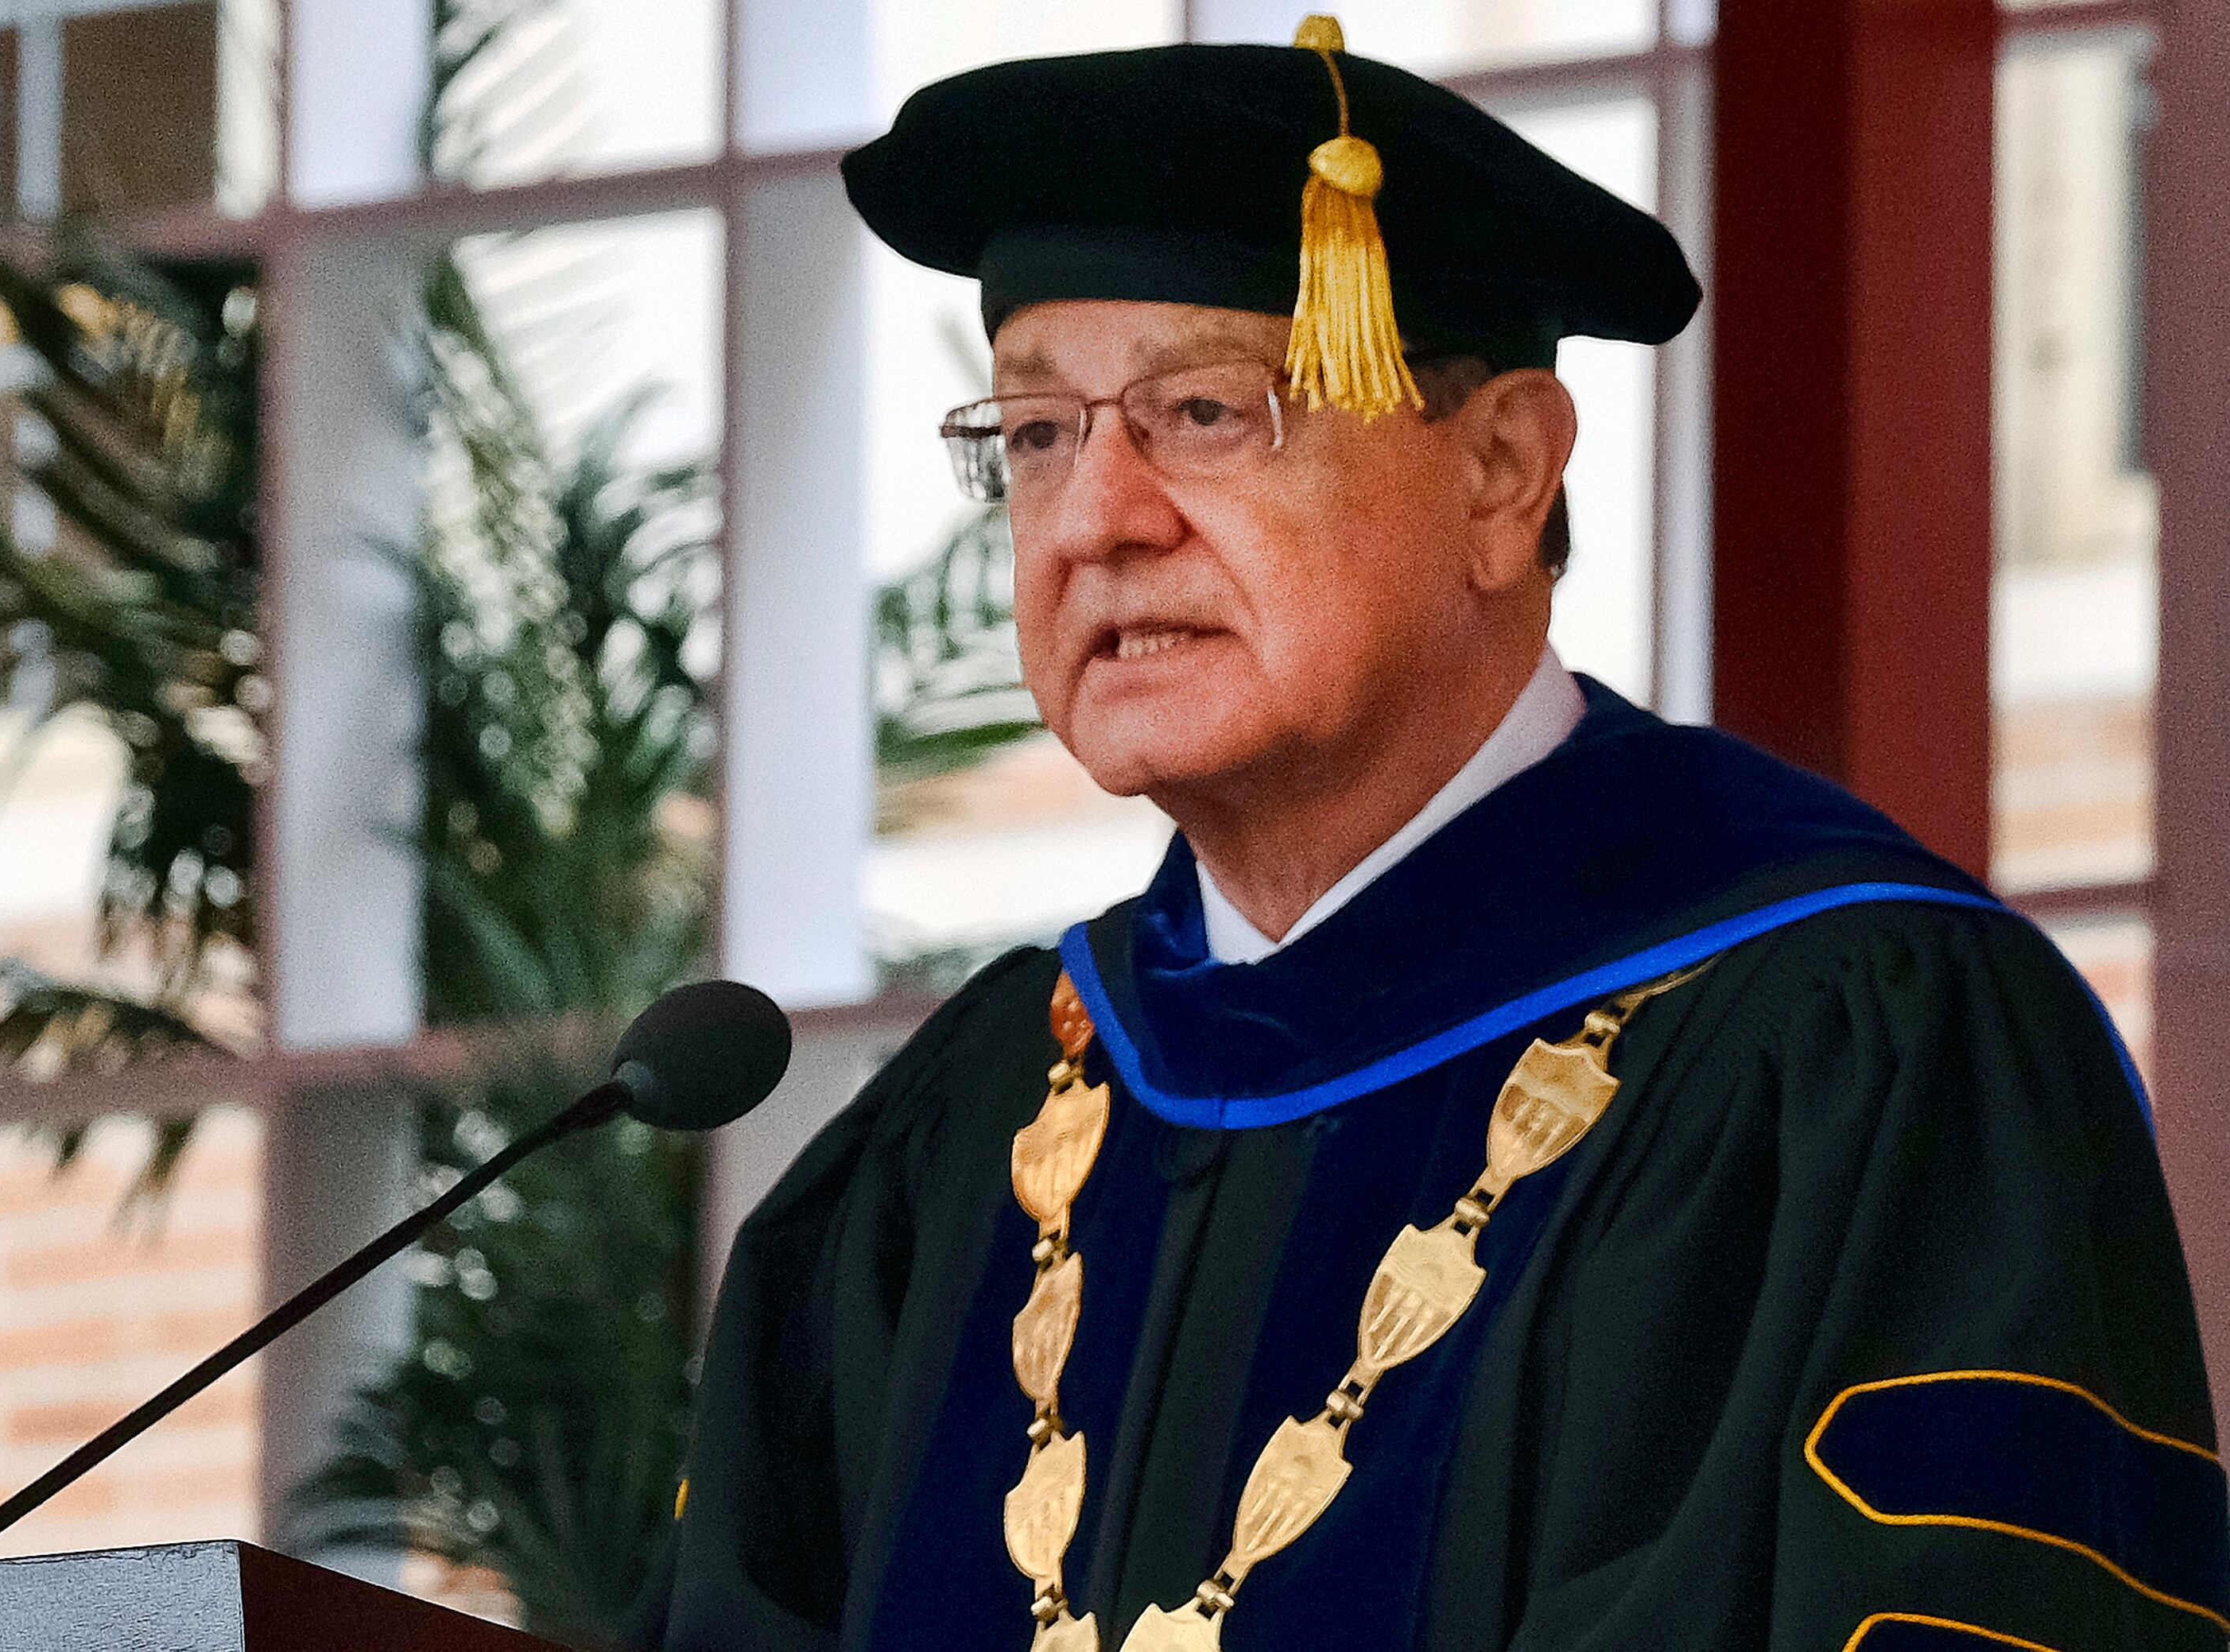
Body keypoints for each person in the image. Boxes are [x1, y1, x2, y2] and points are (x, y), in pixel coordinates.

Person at [637, 18, 2228, 1652]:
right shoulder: (968, 1128)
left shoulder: (1849, 1050)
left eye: (1206, 410)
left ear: (1501, 473)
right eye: (1040, 434)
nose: (1098, 518)